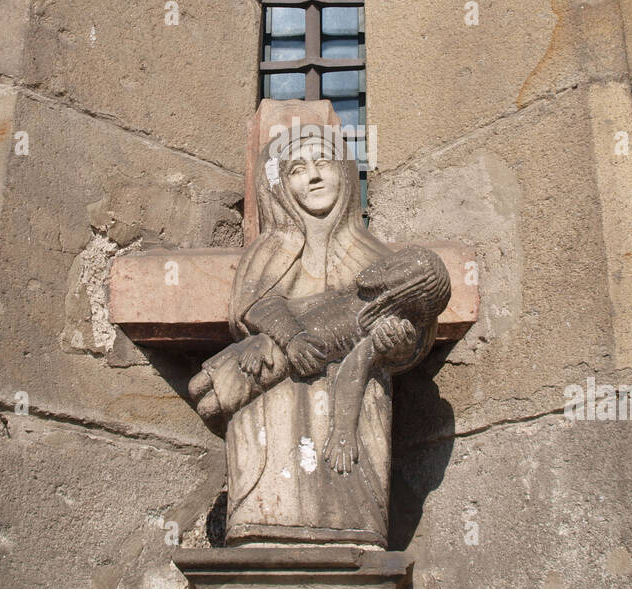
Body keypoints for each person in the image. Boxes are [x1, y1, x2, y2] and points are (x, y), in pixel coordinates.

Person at [188, 125, 449, 548]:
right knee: (227, 401)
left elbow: (414, 325)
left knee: (350, 482)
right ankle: (260, 526)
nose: (313, 176)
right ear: (277, 185)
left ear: (345, 174)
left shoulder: (373, 253)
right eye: (297, 168)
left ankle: (353, 535)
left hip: (353, 395)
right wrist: (285, 336)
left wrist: (401, 344)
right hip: (271, 395)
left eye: (323, 163)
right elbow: (251, 306)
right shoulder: (270, 249)